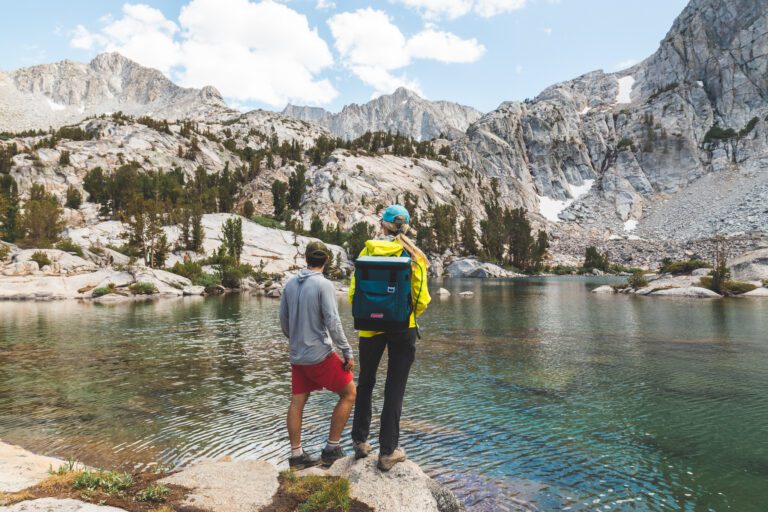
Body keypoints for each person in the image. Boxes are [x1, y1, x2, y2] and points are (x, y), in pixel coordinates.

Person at [348, 204, 431, 471]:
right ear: (406, 226)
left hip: (369, 327)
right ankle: (387, 451)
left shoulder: (368, 250)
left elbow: (354, 292)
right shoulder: (414, 255)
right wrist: (405, 315)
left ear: (382, 225)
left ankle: (360, 442)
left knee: (366, 382)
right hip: (402, 327)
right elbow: (422, 298)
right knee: (394, 388)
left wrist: (369, 315)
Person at [280, 241, 357, 469]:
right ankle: (332, 448)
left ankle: (296, 456)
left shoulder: (290, 284)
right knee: (350, 393)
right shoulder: (324, 285)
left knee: (297, 401)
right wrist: (346, 351)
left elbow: (284, 323)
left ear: (306, 259)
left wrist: (296, 339)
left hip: (297, 356)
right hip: (319, 355)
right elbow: (333, 322)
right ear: (325, 260)